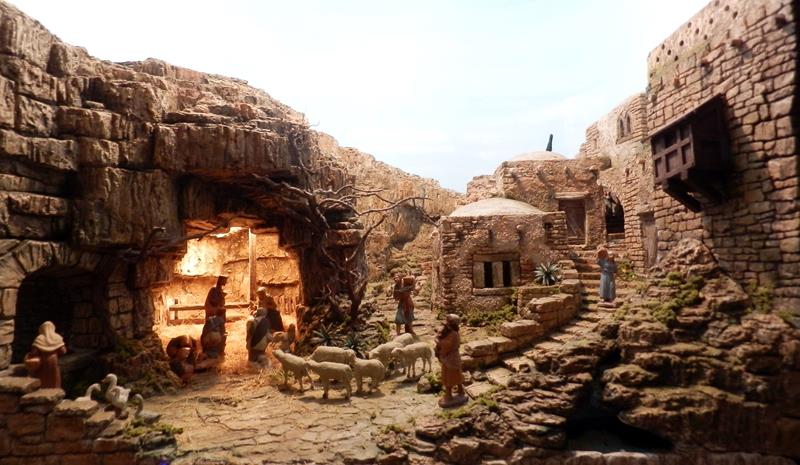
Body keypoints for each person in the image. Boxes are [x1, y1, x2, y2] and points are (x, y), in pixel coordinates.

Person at [435, 314, 467, 408]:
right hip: (451, 358)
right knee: (456, 374)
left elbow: (447, 345)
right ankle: (460, 390)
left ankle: (449, 396)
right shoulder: (451, 333)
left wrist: (438, 341)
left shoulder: (453, 334)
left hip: (451, 359)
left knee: (448, 376)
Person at [24, 321, 67, 389]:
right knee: (54, 377)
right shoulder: (57, 337)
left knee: (41, 376)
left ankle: (42, 389)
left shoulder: (39, 338)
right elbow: (63, 351)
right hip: (54, 361)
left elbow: (34, 352)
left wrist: (29, 355)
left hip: (42, 362)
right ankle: (54, 390)